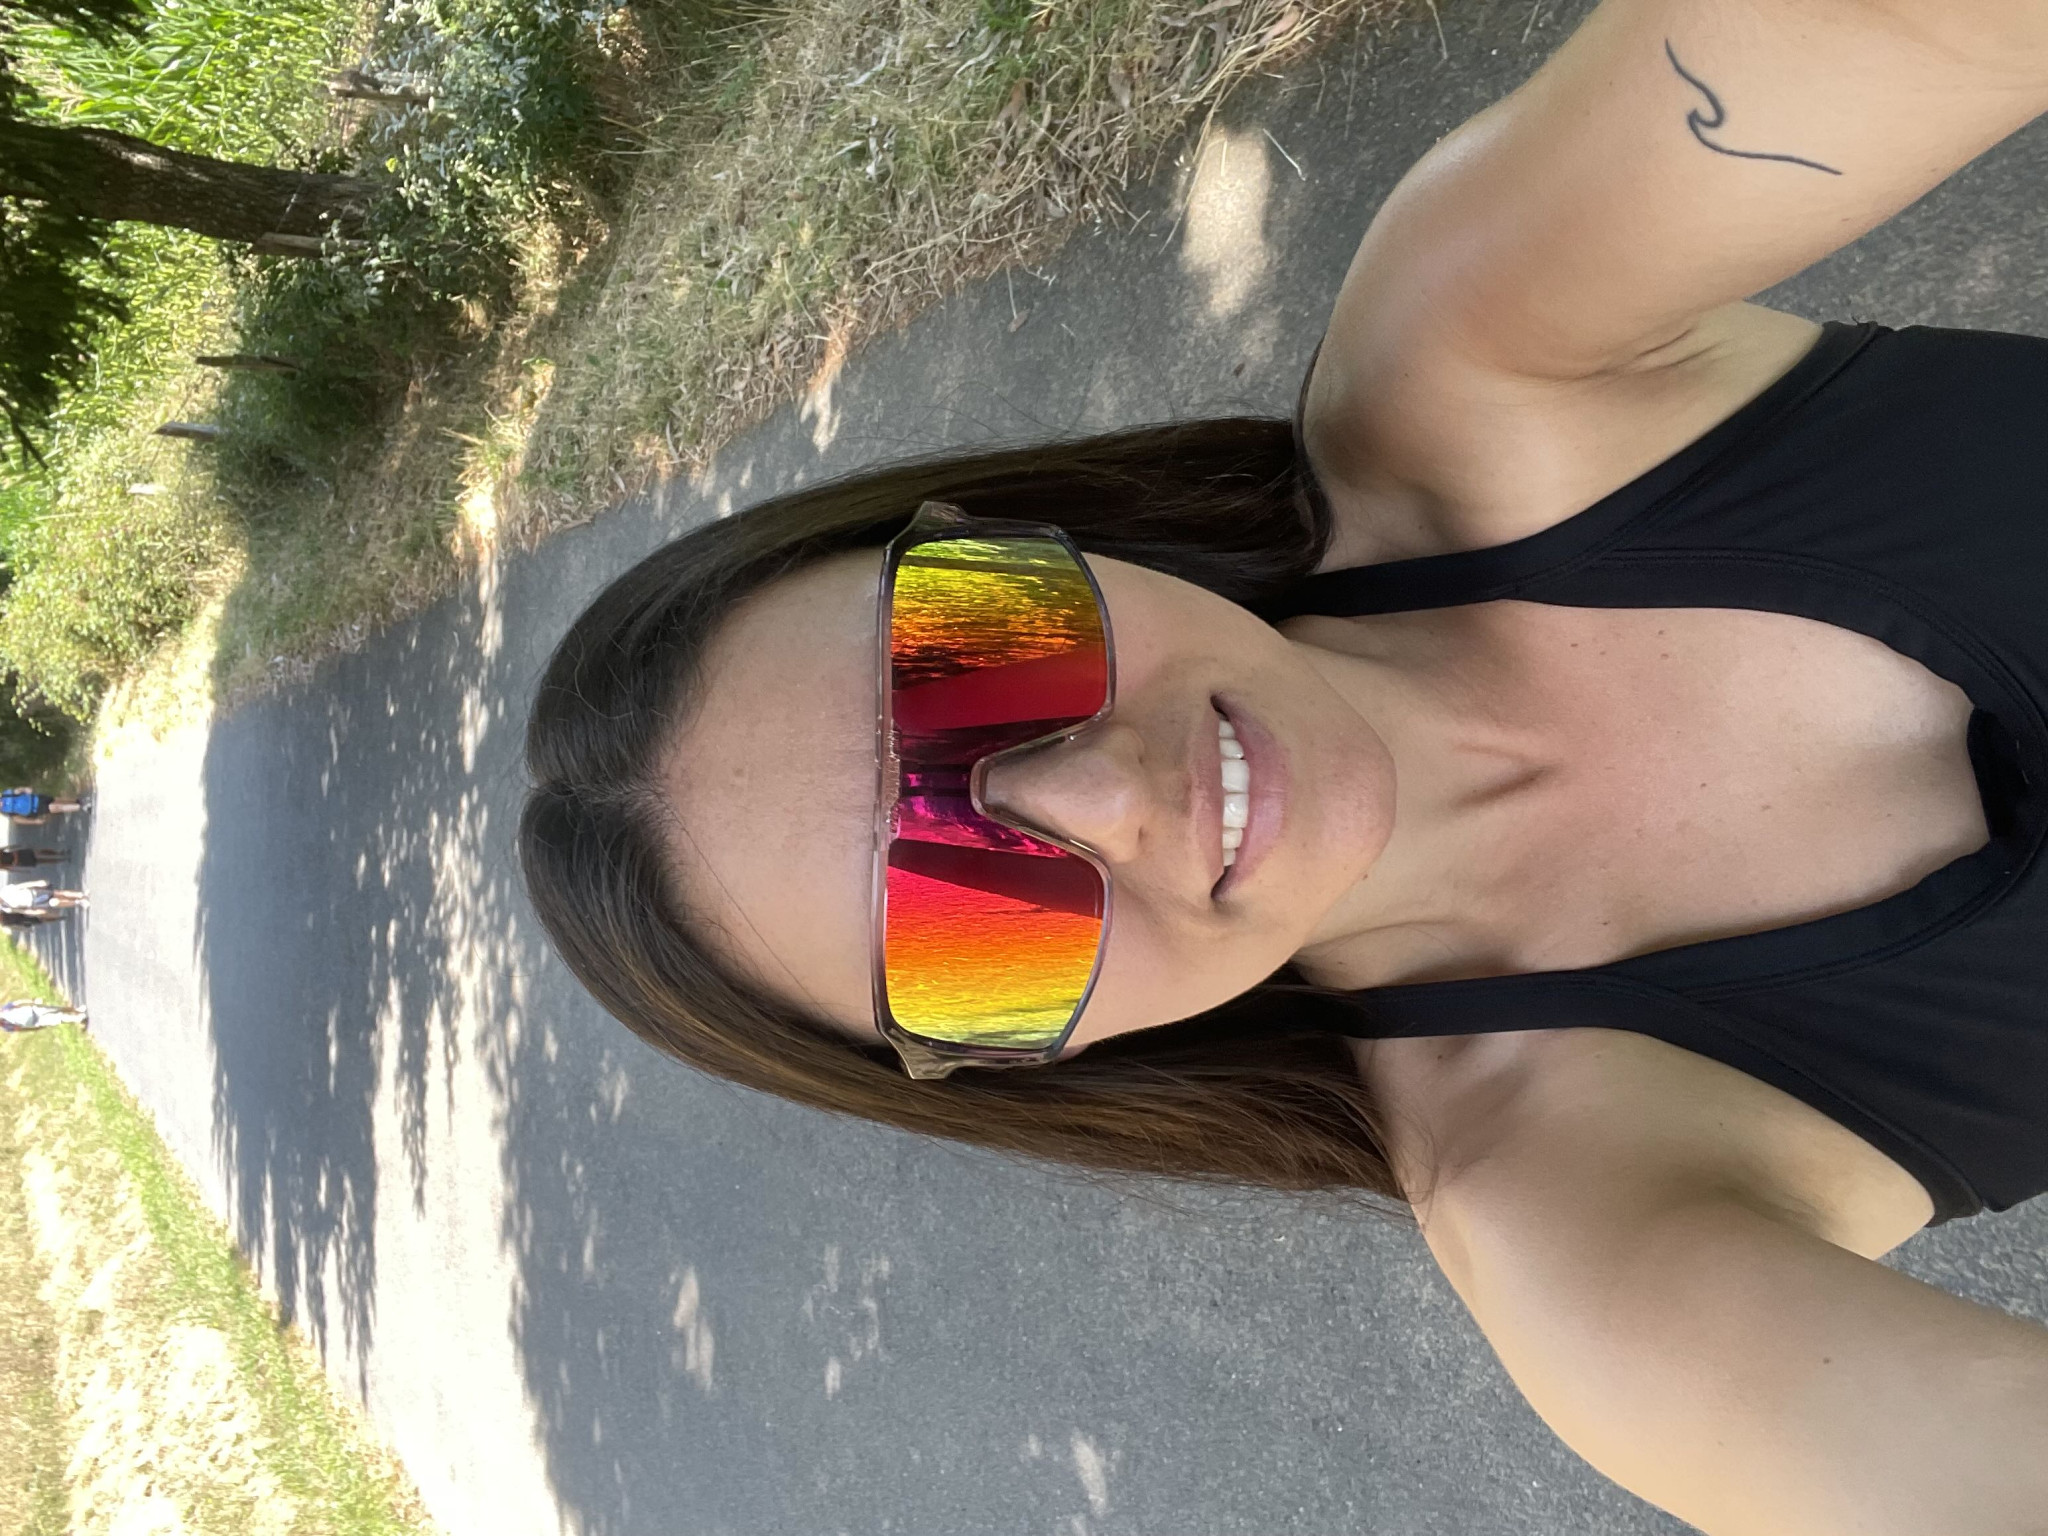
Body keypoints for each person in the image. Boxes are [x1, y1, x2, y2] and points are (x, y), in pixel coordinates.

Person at [519, 2, 2048, 1531]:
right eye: (967, 923)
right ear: (1020, 1057)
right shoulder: (1581, 1232)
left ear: (1015, 535)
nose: (1104, 795)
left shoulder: (1476, 344)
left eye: (976, 650)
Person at [0, 788, 85, 824]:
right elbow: (17, 819)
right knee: (57, 807)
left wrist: (24, 789)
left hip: (36, 798)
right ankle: (81, 807)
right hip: (35, 810)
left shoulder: (5, 795)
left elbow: (17, 791)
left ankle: (76, 801)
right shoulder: (4, 811)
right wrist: (34, 821)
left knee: (56, 800)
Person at [0, 999, 86, 1032]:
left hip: (35, 1010)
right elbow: (21, 1029)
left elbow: (19, 1003)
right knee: (58, 1019)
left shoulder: (5, 1009)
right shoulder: (6, 1026)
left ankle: (77, 1010)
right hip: (36, 1022)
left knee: (57, 1009)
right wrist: (34, 1029)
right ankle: (77, 1019)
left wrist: (33, 1002)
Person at [0, 881, 85, 912]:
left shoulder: (5, 890)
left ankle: (80, 895)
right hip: (34, 903)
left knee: (58, 893)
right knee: (55, 903)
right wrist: (35, 912)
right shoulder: (5, 907)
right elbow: (21, 910)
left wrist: (36, 883)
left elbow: (22, 885)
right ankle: (77, 902)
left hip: (34, 893)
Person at [0, 846, 68, 870]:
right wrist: (14, 863)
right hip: (19, 861)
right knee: (42, 861)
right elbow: (8, 867)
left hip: (19, 854)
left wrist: (14, 850)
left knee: (40, 852)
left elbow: (4, 849)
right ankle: (60, 860)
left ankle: (58, 853)